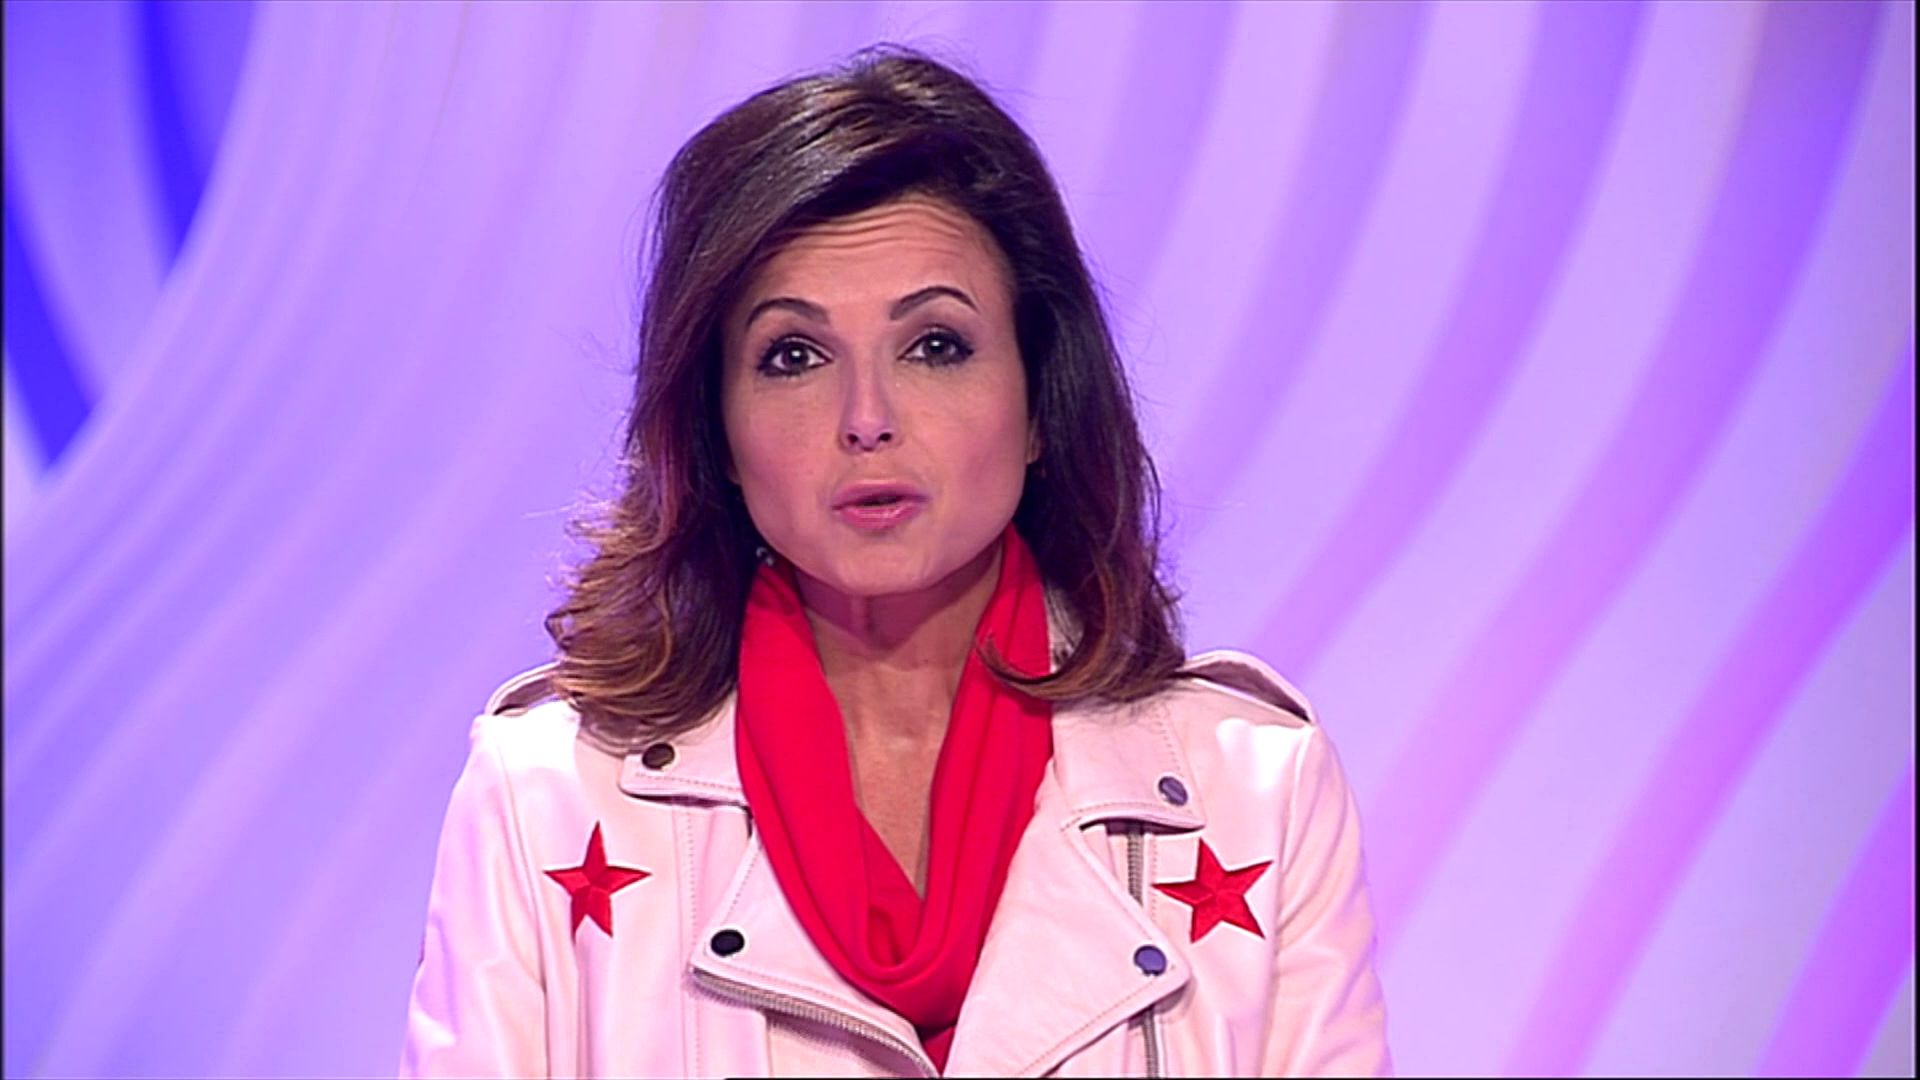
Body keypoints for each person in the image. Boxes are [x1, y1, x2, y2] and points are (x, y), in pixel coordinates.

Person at [401, 45, 1390, 1078]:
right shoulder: (547, 795)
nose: (867, 418)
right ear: (715, 433)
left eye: (935, 346)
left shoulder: (1256, 787)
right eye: (793, 356)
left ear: (1040, 404)